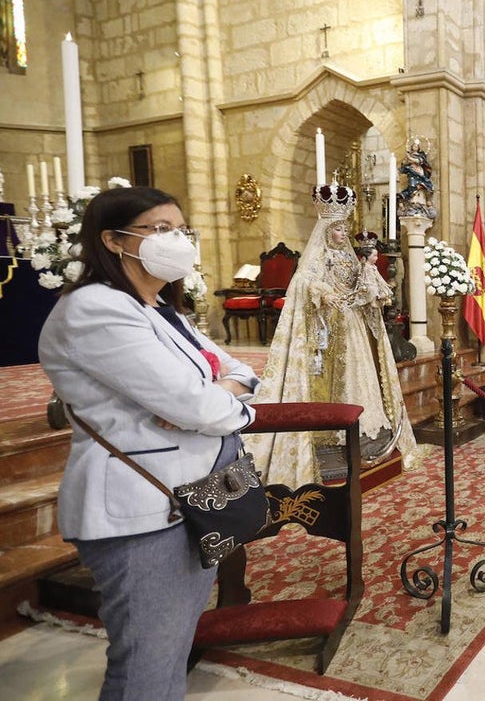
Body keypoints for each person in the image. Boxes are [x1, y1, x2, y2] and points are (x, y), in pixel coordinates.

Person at [38, 186, 260, 700]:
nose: (177, 240)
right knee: (146, 664)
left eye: (181, 230)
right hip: (141, 511)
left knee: (169, 652)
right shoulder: (94, 308)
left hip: (189, 500)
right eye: (161, 229)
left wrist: (220, 398)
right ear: (114, 240)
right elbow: (201, 407)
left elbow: (240, 372)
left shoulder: (160, 307)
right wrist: (229, 407)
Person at [251, 186, 421, 487]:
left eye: (345, 228)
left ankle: (364, 431)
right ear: (327, 230)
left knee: (359, 373)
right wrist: (324, 293)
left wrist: (370, 287)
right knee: (329, 377)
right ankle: (330, 434)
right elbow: (305, 281)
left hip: (352, 323)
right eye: (338, 229)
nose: (343, 234)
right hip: (328, 326)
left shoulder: (348, 258)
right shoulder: (320, 257)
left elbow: (361, 286)